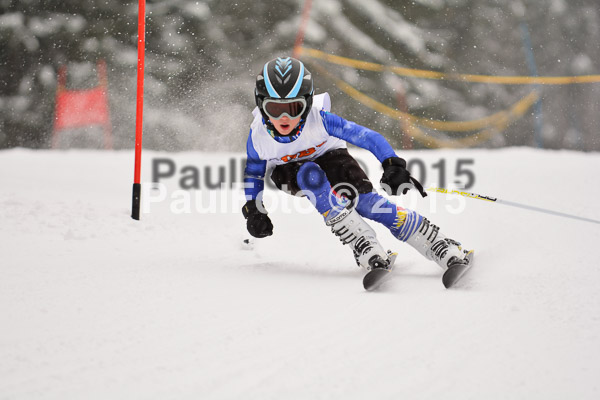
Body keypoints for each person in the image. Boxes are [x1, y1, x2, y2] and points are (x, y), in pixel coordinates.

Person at [242, 56, 471, 276]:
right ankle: (361, 242)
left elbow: (368, 137)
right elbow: (253, 173)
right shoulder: (258, 137)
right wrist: (253, 209)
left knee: (366, 203)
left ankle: (434, 241)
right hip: (289, 171)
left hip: (330, 157)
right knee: (310, 175)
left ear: (308, 103)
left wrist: (391, 164)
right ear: (261, 105)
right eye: (274, 108)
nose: (284, 117)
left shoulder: (319, 120)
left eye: (294, 108)